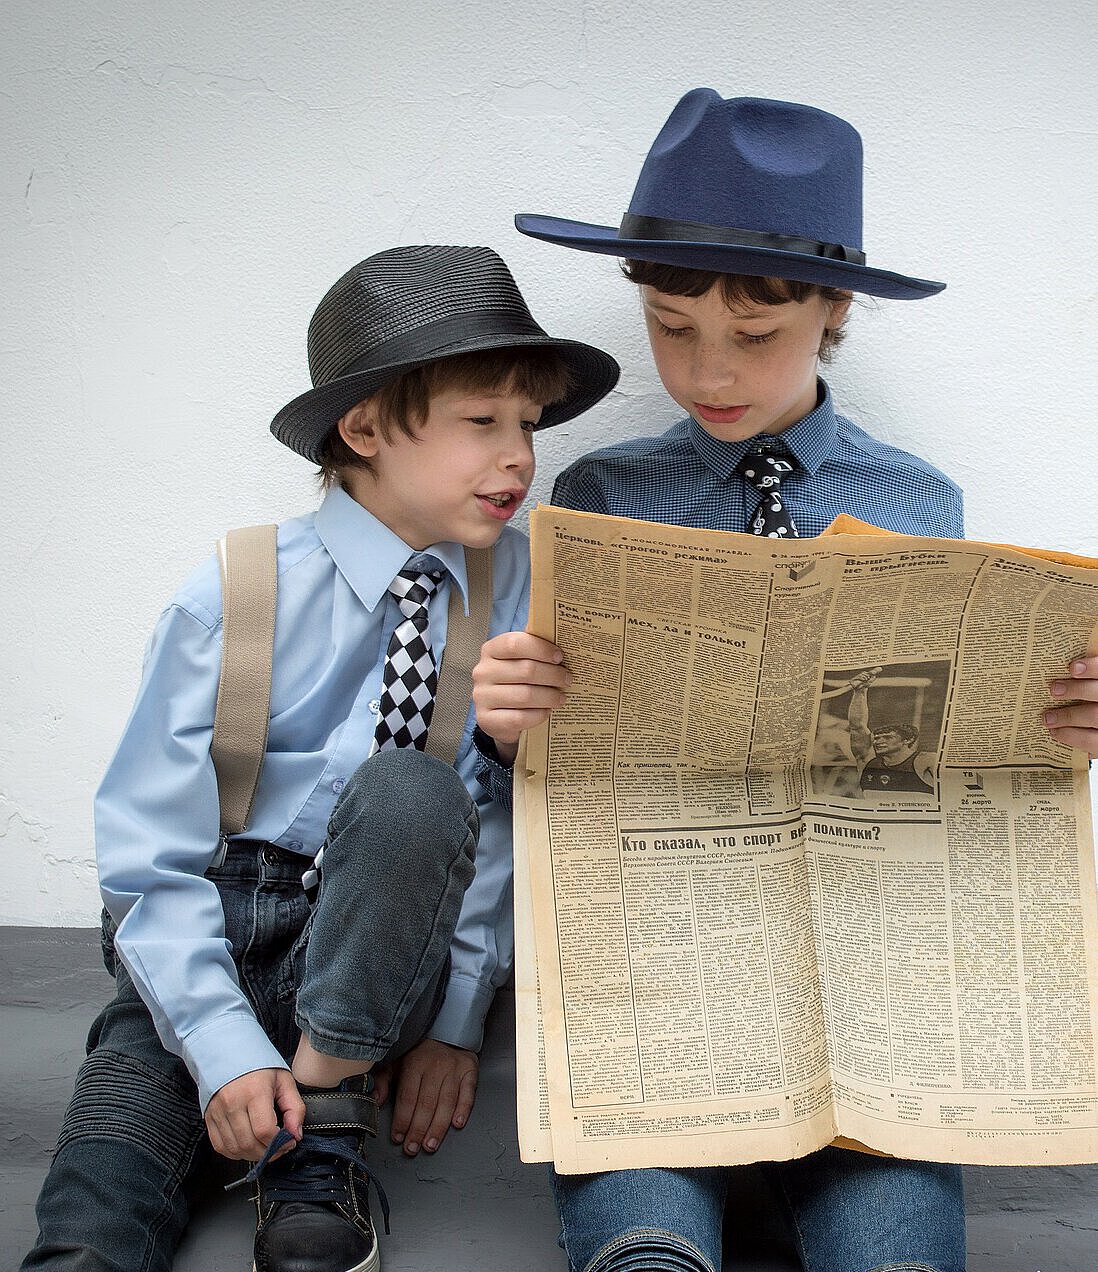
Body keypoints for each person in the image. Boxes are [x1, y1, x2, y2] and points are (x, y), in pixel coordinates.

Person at [472, 90, 1098, 1272]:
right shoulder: (598, 495)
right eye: (668, 325)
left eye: (756, 338)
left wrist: (1059, 723)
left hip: (871, 1002)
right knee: (641, 1240)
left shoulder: (921, 503)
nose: (708, 371)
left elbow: (943, 767)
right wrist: (508, 727)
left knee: (898, 1251)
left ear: (835, 308)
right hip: (656, 987)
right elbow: (556, 772)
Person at [21, 245, 619, 1272]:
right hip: (219, 925)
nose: (520, 454)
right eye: (484, 422)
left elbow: (506, 824)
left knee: (412, 787)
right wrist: (218, 1048)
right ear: (365, 428)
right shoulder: (237, 589)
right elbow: (146, 860)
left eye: (528, 423)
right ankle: (181, 1135)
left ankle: (324, 1126)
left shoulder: (527, 585)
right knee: (95, 1205)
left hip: (387, 946)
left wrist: (460, 1020)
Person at [845, 667, 936, 794]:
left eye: (888, 737)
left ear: (907, 740)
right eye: (877, 738)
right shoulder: (868, 761)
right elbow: (857, 726)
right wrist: (860, 691)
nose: (879, 742)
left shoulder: (925, 760)